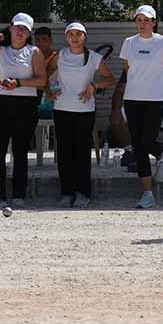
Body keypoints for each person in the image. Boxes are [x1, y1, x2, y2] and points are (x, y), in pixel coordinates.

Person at [0, 13, 48, 209]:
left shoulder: (34, 52)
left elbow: (42, 80)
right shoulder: (1, 51)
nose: (20, 32)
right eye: (17, 27)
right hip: (2, 103)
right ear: (11, 28)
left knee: (20, 151)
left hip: (25, 104)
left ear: (29, 32)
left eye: (24, 29)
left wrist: (19, 83)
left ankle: (18, 195)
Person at [46, 21, 116, 208]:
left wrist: (94, 86)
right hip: (62, 110)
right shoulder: (59, 56)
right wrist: (49, 92)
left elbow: (110, 79)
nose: (75, 38)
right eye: (71, 34)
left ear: (84, 37)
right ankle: (66, 192)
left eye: (78, 34)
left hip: (85, 111)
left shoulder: (94, 58)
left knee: (82, 153)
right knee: (64, 153)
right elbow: (43, 74)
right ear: (66, 37)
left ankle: (83, 193)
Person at [117, 5, 163, 208]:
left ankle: (160, 154)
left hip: (155, 99)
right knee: (138, 144)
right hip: (133, 98)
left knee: (147, 140)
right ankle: (147, 192)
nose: (142, 24)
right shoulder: (128, 43)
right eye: (139, 20)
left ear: (154, 22)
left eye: (146, 20)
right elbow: (128, 69)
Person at [33, 26, 59, 122]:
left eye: (44, 39)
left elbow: (44, 79)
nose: (41, 43)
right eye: (38, 40)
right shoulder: (31, 57)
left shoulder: (56, 57)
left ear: (50, 40)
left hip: (50, 100)